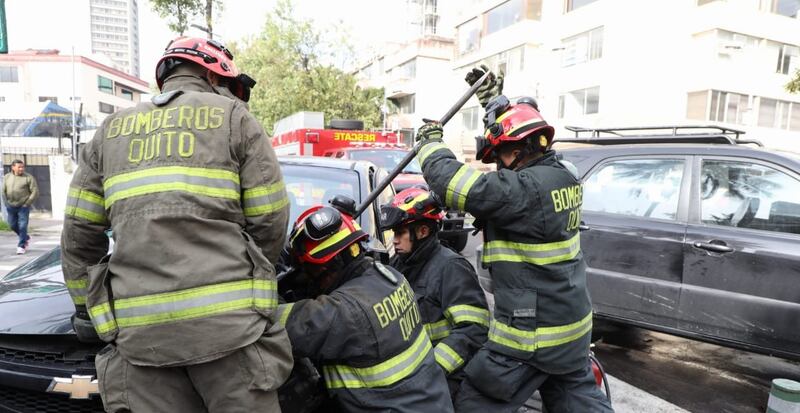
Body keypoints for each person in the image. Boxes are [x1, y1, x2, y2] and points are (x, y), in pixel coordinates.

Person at [60, 36, 292, 413]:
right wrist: (249, 279)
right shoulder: (235, 119)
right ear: (213, 75)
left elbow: (78, 237)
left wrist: (87, 309)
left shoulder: (110, 132)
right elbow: (269, 220)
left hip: (141, 343)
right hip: (231, 336)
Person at [413, 66, 614, 412]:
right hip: (570, 332)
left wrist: (430, 143)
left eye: (502, 155)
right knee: (579, 403)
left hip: (529, 337)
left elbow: (454, 185)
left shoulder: (528, 189)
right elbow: (508, 164)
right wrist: (493, 103)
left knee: (475, 401)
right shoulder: (560, 176)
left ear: (520, 149)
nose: (499, 165)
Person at [276, 202, 454, 413]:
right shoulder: (389, 275)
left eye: (309, 270)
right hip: (431, 402)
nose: (308, 279)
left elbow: (268, 321)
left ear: (325, 267)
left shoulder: (346, 311)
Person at [379, 187, 489, 398]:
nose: (394, 240)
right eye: (394, 233)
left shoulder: (451, 268)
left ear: (422, 231)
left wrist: (431, 371)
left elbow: (473, 329)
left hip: (443, 380)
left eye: (400, 232)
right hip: (405, 374)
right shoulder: (400, 264)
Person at [3, 160, 38, 254]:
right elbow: (3, 191)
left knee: (22, 226)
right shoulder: (7, 177)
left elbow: (35, 191)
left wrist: (27, 203)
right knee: (12, 225)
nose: (21, 169)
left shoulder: (28, 177)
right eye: (19, 167)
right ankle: (26, 237)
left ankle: (21, 246)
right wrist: (6, 203)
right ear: (13, 167)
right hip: (11, 206)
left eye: (22, 167)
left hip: (23, 206)